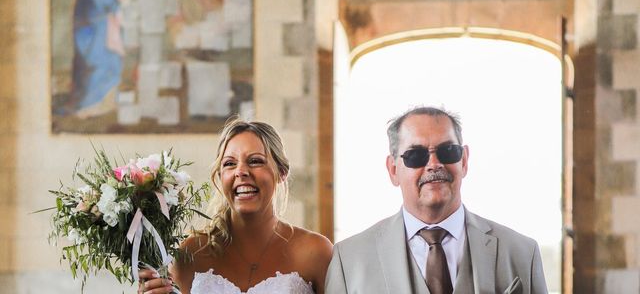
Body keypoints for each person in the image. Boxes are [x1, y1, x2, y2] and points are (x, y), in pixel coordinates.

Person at [325, 106, 548, 294]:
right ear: (393, 169)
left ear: (465, 160)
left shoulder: (522, 252)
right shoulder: (349, 260)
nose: (434, 164)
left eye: (448, 151)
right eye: (416, 155)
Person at [139, 118, 333, 293]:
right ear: (220, 176)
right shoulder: (191, 253)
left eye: (255, 161)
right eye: (229, 164)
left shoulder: (315, 252)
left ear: (281, 173)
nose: (241, 171)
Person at [65, 0, 131, 118]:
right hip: (95, 27)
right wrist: (118, 1)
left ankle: (107, 103)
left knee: (113, 63)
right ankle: (90, 105)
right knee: (100, 63)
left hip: (111, 27)